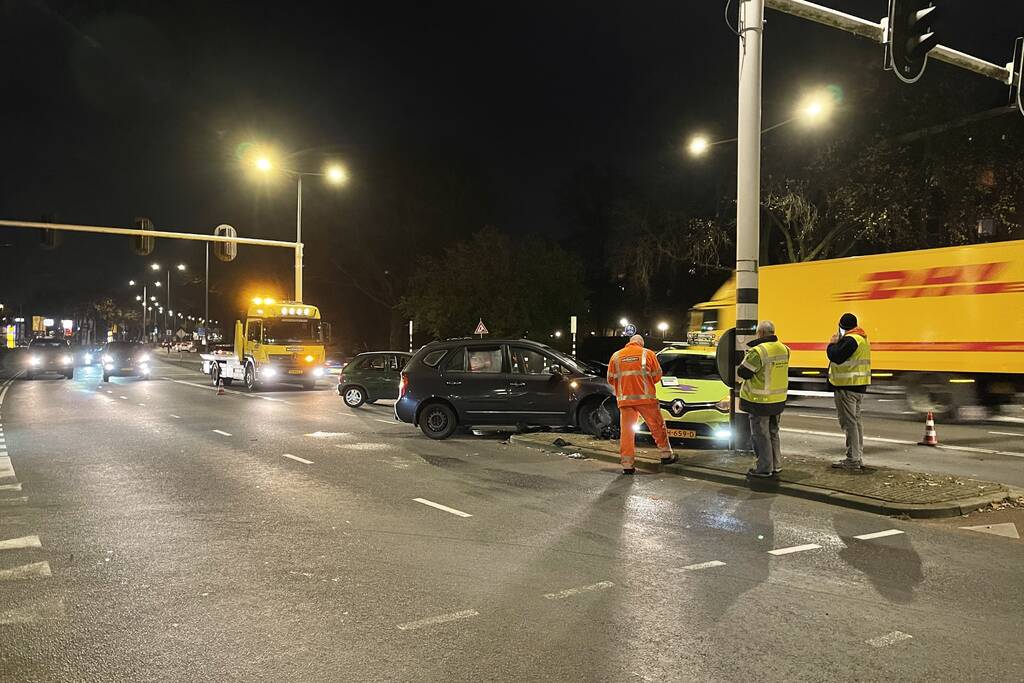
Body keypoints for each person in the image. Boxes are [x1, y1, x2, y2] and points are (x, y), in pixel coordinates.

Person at [607, 334, 675, 474]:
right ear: (641, 344)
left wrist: (625, 385)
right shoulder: (648, 354)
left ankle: (627, 465)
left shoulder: (616, 356)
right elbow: (657, 375)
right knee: (656, 426)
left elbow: (610, 379)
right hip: (646, 399)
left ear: (629, 343)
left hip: (625, 401)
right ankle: (666, 454)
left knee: (627, 432)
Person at [737, 320, 790, 478]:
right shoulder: (784, 348)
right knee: (773, 432)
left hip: (760, 400)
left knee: (760, 435)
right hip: (778, 399)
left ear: (760, 333)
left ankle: (764, 468)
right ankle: (776, 464)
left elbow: (743, 372)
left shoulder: (758, 351)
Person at [827, 313, 871, 470]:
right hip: (858, 386)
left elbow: (835, 356)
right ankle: (857, 456)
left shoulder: (850, 340)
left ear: (842, 326)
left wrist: (832, 344)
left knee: (849, 423)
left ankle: (852, 459)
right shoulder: (862, 338)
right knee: (856, 422)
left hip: (846, 387)